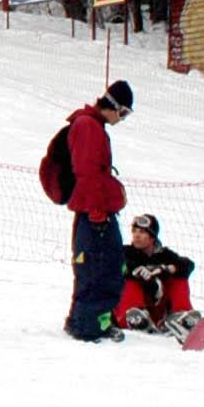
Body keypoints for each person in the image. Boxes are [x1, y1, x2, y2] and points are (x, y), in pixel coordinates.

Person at [55, 81, 133, 343]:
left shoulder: (92, 125)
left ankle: (84, 320)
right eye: (123, 113)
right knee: (101, 269)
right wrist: (98, 211)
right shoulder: (89, 127)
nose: (122, 119)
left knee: (95, 267)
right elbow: (87, 172)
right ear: (114, 106)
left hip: (93, 210)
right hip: (94, 213)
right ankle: (90, 325)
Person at [112, 213, 197, 337]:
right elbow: (118, 264)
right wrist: (139, 271)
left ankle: (181, 317)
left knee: (178, 277)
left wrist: (168, 269)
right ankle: (135, 319)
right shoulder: (126, 252)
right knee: (128, 281)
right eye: (134, 231)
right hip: (128, 308)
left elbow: (188, 264)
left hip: (157, 309)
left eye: (142, 232)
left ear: (152, 236)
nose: (136, 235)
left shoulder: (163, 254)